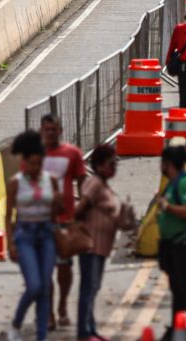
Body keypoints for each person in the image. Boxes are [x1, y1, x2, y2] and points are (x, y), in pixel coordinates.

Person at [6, 130, 62, 341]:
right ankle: (16, 323)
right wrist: (10, 243)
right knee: (35, 286)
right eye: (31, 164)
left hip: (46, 234)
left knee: (45, 287)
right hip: (25, 236)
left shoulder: (51, 180)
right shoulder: (16, 183)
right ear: (24, 163)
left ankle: (41, 336)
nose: (36, 168)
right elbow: (8, 215)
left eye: (39, 163)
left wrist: (58, 202)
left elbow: (58, 213)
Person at [75, 144, 129, 341]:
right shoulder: (95, 183)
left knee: (93, 287)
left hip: (100, 247)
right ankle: (84, 332)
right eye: (110, 163)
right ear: (98, 165)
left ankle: (91, 329)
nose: (113, 167)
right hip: (91, 245)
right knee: (88, 288)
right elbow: (80, 208)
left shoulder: (104, 186)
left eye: (115, 163)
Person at [40, 114, 86, 330]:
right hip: (40, 221)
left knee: (64, 267)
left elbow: (82, 183)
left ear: (60, 130)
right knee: (45, 269)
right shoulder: (34, 156)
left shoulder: (72, 153)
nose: (50, 133)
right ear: (41, 131)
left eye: (53, 129)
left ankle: (62, 306)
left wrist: (81, 213)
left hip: (65, 220)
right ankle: (48, 312)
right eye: (46, 129)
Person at [157, 145, 186, 341]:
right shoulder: (173, 182)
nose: (161, 166)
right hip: (172, 244)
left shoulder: (184, 183)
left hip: (183, 244)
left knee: (185, 288)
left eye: (163, 162)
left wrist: (167, 206)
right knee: (176, 288)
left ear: (169, 164)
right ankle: (178, 327)